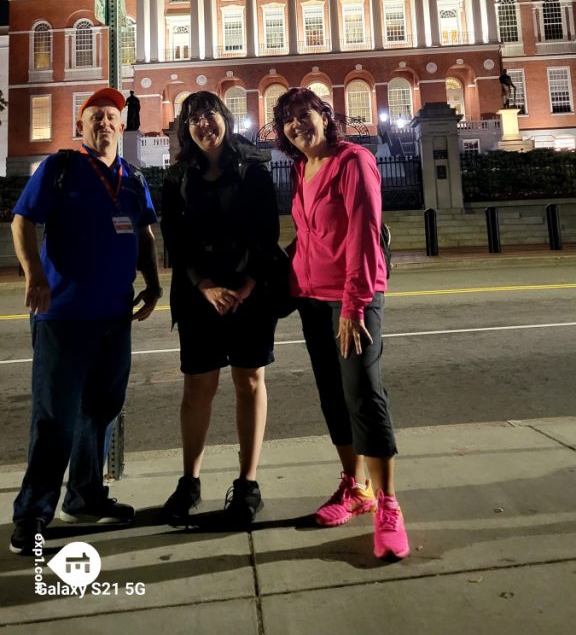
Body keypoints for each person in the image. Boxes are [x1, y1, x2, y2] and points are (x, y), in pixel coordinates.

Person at [9, 87, 162, 555]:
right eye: (93, 116)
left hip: (114, 319)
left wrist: (153, 284)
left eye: (110, 116)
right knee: (54, 417)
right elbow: (22, 221)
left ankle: (84, 496)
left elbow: (144, 233)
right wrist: (35, 276)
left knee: (100, 410)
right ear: (81, 127)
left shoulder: (134, 179)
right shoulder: (60, 169)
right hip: (63, 318)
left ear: (121, 125)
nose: (103, 122)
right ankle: (33, 512)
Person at [272, 87, 409, 560]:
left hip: (353, 297)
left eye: (302, 115)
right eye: (286, 120)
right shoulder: (300, 168)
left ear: (323, 115)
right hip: (311, 299)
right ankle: (355, 488)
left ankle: (388, 503)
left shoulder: (354, 161)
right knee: (333, 394)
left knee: (363, 391)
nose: (296, 125)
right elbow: (307, 236)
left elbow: (364, 233)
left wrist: (353, 304)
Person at [160, 92, 280, 528]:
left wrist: (246, 285)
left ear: (224, 118)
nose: (203, 123)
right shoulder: (177, 177)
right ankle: (190, 480)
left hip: (250, 291)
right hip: (198, 295)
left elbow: (267, 232)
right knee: (197, 389)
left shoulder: (252, 168)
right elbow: (174, 237)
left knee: (249, 381)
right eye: (193, 118)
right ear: (185, 128)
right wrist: (205, 285)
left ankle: (247, 483)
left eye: (210, 113)